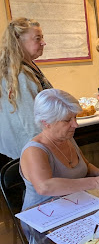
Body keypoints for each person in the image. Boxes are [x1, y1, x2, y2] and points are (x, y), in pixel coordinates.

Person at [19, 89, 99, 244]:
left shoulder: (67, 138)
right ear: (46, 123)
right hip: (44, 219)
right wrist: (94, 183)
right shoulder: (34, 150)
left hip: (77, 206)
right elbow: (45, 186)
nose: (75, 124)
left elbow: (84, 166)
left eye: (74, 118)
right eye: (67, 120)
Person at [0, 18, 52, 161]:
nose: (43, 42)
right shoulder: (19, 74)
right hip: (28, 153)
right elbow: (31, 121)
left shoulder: (26, 66)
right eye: (37, 38)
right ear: (19, 41)